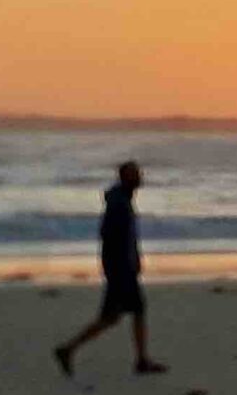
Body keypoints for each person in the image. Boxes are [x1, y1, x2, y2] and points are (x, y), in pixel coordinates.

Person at [53, 161, 165, 376]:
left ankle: (141, 360)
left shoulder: (122, 199)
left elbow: (125, 236)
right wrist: (121, 265)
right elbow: (109, 235)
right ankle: (68, 349)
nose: (140, 178)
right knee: (113, 317)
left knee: (130, 312)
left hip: (123, 267)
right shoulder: (119, 203)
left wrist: (134, 259)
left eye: (139, 173)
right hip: (120, 270)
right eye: (135, 175)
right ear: (126, 178)